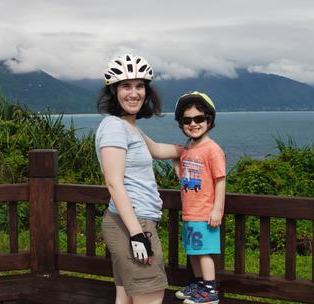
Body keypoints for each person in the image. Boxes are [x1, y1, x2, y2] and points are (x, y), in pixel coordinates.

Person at [95, 53, 181, 304]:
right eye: (126, 86)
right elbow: (113, 182)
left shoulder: (128, 126)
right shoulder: (114, 128)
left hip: (129, 221)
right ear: (113, 92)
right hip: (133, 224)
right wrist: (137, 235)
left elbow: (156, 150)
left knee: (126, 299)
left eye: (139, 86)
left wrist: (187, 151)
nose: (134, 93)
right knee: (150, 298)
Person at [173, 91, 226, 304]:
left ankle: (211, 291)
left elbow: (220, 180)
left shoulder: (213, 150)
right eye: (187, 120)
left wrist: (217, 209)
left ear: (209, 121)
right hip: (189, 212)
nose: (193, 123)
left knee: (204, 252)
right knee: (193, 251)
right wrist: (176, 159)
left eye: (199, 118)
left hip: (204, 212)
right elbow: (184, 178)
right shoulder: (189, 148)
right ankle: (199, 285)